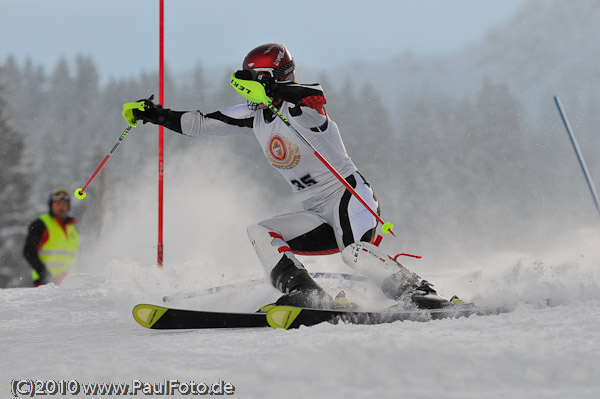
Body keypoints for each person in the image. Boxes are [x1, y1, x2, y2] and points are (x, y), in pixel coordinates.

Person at [123, 43, 452, 309]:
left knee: (354, 253)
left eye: (256, 77)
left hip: (350, 198)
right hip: (317, 212)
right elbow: (198, 124)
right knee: (260, 232)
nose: (249, 85)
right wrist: (154, 115)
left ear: (272, 77)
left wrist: (279, 92)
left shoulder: (301, 108)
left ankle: (420, 293)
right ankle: (305, 293)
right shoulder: (255, 115)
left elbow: (314, 97)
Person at [23, 189, 80, 286]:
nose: (62, 207)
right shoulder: (40, 225)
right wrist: (45, 275)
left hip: (71, 286)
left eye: (64, 204)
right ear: (51, 206)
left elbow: (78, 257)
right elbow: (29, 251)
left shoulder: (72, 230)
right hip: (46, 285)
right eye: (58, 204)